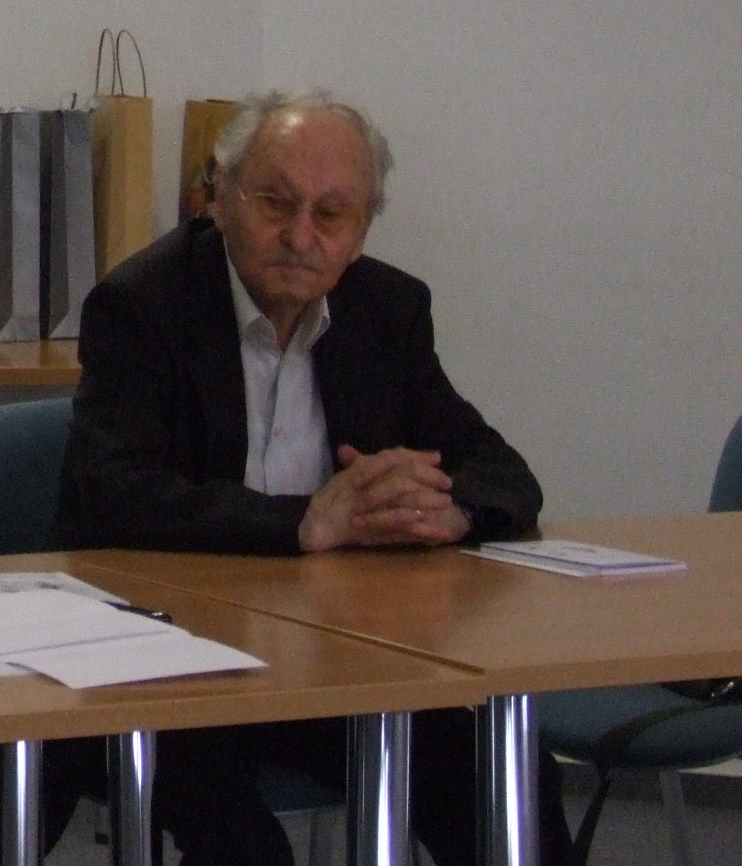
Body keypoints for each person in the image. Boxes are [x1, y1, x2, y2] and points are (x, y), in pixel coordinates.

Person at [55, 89, 563, 866]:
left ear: (360, 234)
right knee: (245, 846)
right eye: (275, 203)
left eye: (331, 214)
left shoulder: (387, 310)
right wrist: (302, 522)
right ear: (219, 196)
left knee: (504, 774)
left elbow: (501, 472)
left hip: (332, 658)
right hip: (167, 665)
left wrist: (446, 511)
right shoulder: (140, 305)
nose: (300, 236)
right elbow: (112, 496)